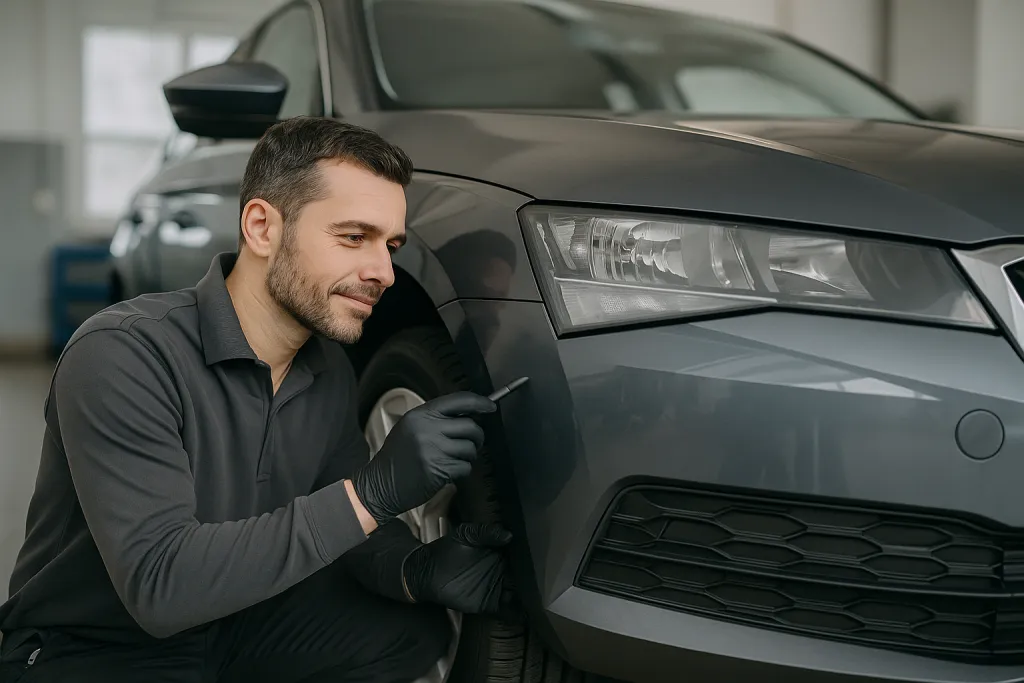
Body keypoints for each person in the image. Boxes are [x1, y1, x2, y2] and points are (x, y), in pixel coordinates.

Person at [0, 116, 513, 682]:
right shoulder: (123, 354)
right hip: (96, 646)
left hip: (230, 626)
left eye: (390, 246)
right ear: (262, 227)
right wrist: (372, 494)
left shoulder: (327, 370)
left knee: (408, 632)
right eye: (353, 237)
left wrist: (413, 570)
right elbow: (159, 585)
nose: (385, 273)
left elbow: (347, 532)